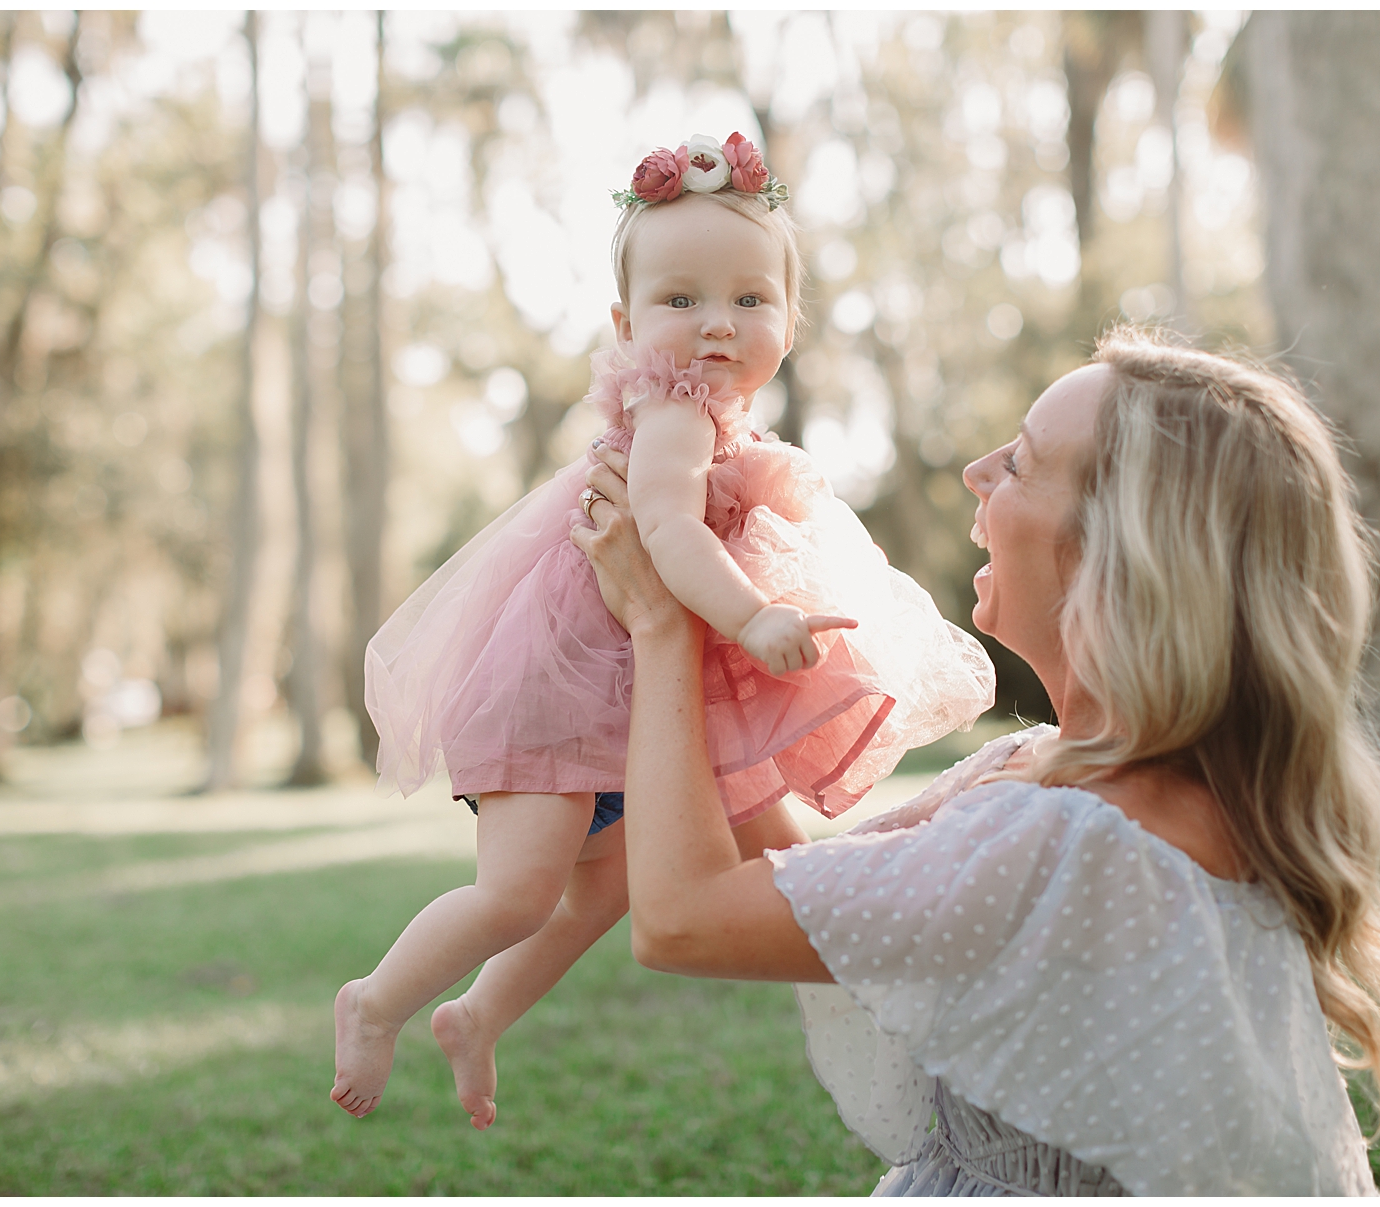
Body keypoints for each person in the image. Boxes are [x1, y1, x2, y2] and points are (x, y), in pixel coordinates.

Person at [570, 328, 1380, 1195]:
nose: (976, 471)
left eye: (1020, 463)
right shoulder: (1070, 774)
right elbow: (799, 881)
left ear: (1119, 557)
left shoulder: (1071, 836)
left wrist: (662, 628)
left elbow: (683, 919)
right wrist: (723, 632)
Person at [333, 134, 995, 1129]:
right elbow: (670, 532)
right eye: (681, 301)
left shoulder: (722, 420)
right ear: (626, 323)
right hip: (558, 689)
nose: (716, 325)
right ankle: (376, 1000)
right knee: (519, 893)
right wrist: (753, 612)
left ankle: (479, 1015)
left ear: (790, 316)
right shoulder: (676, 411)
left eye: (748, 299)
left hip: (609, 693)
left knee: (604, 889)